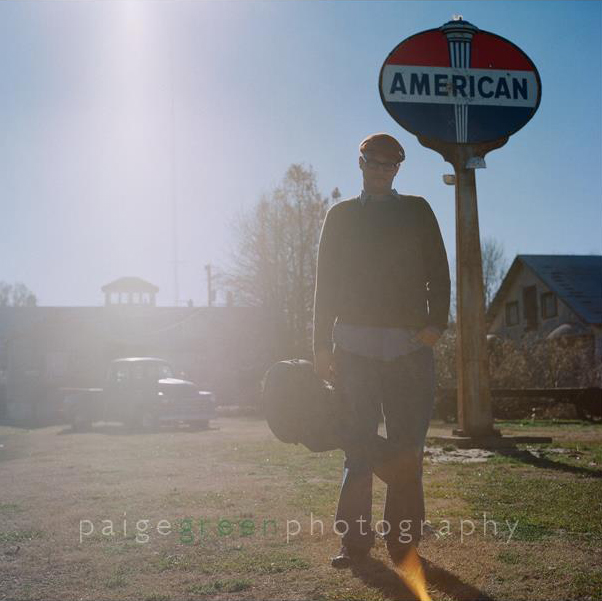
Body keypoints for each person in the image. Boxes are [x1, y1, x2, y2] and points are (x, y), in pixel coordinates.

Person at [312, 133, 450, 568]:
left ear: (398, 169)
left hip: (410, 349)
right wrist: (321, 347)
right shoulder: (340, 216)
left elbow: (439, 270)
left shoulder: (417, 210)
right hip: (353, 348)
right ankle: (354, 543)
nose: (381, 171)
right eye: (373, 163)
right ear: (361, 163)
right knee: (358, 447)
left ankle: (403, 542)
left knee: (408, 447)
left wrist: (436, 323)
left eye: (389, 165)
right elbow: (325, 286)